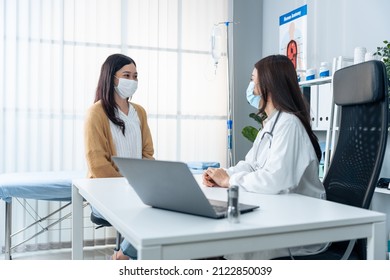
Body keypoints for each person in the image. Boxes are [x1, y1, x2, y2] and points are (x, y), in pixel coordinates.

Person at [202, 54, 327, 259]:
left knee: (232, 246)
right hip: (280, 213)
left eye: (253, 79)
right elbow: (252, 165)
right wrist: (222, 174)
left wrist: (230, 181)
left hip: (299, 226)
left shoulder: (289, 124)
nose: (250, 85)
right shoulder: (271, 124)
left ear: (268, 83)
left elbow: (275, 180)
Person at [84, 53, 154, 260]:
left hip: (137, 188)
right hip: (105, 190)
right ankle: (126, 255)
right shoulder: (96, 113)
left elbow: (147, 153)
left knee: (164, 212)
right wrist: (127, 185)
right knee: (148, 214)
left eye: (135, 76)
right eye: (126, 75)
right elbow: (97, 164)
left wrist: (142, 183)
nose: (132, 81)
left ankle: (123, 255)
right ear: (111, 77)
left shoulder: (139, 112)